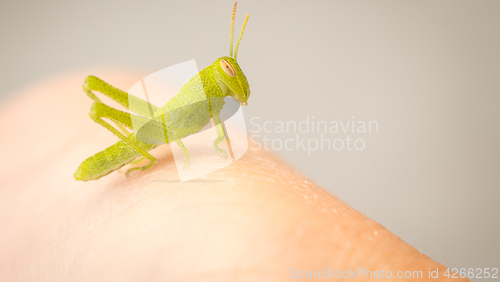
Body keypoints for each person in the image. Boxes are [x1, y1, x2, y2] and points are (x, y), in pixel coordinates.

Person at [0, 71, 467, 281]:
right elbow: (189, 126)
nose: (233, 79)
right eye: (228, 72)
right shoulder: (200, 95)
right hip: (152, 130)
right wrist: (151, 155)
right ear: (217, 77)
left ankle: (141, 151)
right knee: (112, 102)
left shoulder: (213, 97)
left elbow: (215, 119)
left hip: (162, 128)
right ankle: (136, 151)